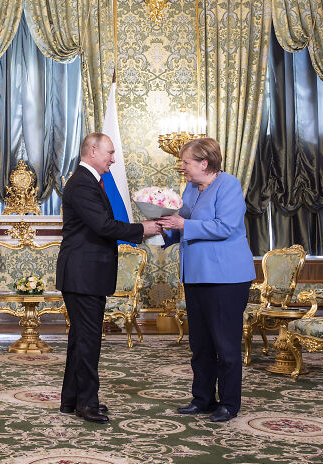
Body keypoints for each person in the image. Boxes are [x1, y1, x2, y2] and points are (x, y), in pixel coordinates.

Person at [56, 132, 161, 424]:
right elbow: (103, 226)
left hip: (84, 275)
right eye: (110, 153)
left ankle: (72, 400)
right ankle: (87, 404)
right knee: (88, 341)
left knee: (81, 340)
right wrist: (143, 229)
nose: (113, 159)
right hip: (83, 276)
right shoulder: (82, 183)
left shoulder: (87, 181)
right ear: (92, 150)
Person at [158, 137, 255, 422]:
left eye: (186, 162)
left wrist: (184, 225)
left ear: (204, 162)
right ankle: (202, 398)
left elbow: (226, 226)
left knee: (225, 345)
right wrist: (161, 231)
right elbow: (183, 226)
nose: (182, 167)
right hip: (196, 275)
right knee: (200, 344)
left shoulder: (229, 185)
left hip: (226, 278)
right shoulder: (190, 188)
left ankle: (228, 403)